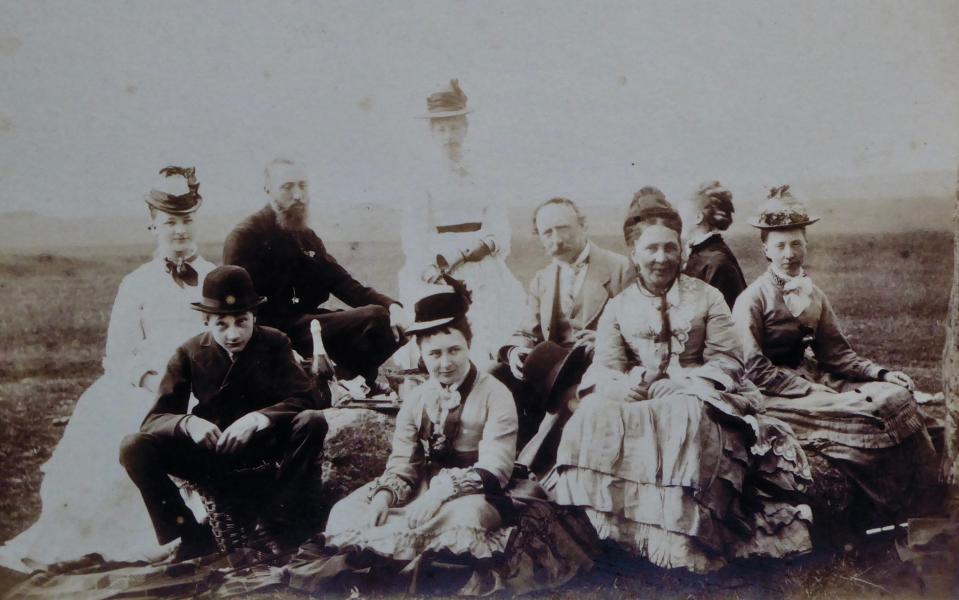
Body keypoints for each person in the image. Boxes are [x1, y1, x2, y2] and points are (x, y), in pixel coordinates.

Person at [543, 192, 813, 573]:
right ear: (634, 254)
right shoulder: (619, 307)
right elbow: (604, 366)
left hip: (704, 392)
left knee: (684, 414)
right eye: (651, 249)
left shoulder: (708, 297)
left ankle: (683, 539)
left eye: (670, 248)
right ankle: (614, 534)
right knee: (591, 414)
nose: (661, 258)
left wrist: (687, 381)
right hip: (640, 395)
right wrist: (618, 385)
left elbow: (728, 359)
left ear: (682, 252)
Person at [0, 167, 216, 571]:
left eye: (187, 221)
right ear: (153, 224)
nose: (180, 231)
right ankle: (164, 535)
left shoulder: (213, 277)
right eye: (170, 222)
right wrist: (157, 385)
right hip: (149, 386)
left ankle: (205, 526)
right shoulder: (136, 283)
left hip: (205, 385)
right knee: (122, 434)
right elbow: (119, 356)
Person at [321, 279, 594, 595]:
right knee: (348, 511)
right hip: (423, 483)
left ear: (469, 346)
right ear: (422, 354)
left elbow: (497, 467)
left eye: (454, 350)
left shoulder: (495, 394)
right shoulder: (416, 398)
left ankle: (419, 570)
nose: (445, 362)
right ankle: (382, 563)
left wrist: (441, 493)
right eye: (434, 353)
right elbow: (403, 464)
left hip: (482, 488)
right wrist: (385, 495)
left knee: (465, 517)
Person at [731, 185, 937, 527]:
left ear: (806, 244)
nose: (789, 253)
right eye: (780, 245)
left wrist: (882, 374)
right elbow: (752, 367)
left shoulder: (815, 295)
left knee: (895, 398)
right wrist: (807, 390)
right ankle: (884, 512)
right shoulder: (753, 299)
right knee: (865, 414)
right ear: (765, 248)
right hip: (772, 392)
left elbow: (838, 354)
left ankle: (923, 506)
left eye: (796, 243)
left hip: (813, 377)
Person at [119, 265, 328, 560]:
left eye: (242, 322)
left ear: (255, 317)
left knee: (312, 422)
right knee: (133, 447)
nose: (233, 334)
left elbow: (306, 398)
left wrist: (259, 419)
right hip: (213, 458)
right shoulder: (188, 353)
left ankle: (283, 523)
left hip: (267, 454)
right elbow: (154, 420)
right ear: (206, 321)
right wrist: (188, 423)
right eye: (221, 324)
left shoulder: (274, 342)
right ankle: (191, 535)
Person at [223, 159, 408, 389]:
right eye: (287, 187)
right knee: (376, 317)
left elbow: (343, 283)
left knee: (395, 322)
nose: (298, 194)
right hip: (270, 335)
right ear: (267, 190)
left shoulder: (305, 235)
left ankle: (344, 378)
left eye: (303, 185)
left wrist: (393, 306)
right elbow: (237, 310)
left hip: (310, 327)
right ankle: (342, 379)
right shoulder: (246, 236)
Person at [491, 197, 632, 469]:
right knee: (494, 374)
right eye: (547, 232)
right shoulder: (542, 279)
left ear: (583, 226)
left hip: (597, 366)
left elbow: (640, 327)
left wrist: (606, 339)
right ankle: (501, 456)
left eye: (564, 228)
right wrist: (517, 351)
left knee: (569, 394)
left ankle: (533, 467)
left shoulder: (620, 268)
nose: (556, 239)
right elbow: (525, 330)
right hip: (552, 368)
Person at [397, 79, 524, 369]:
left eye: (454, 127)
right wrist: (429, 267)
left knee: (492, 323)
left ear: (465, 128)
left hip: (480, 257)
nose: (448, 135)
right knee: (443, 327)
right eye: (441, 129)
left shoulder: (484, 170)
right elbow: (414, 232)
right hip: (439, 262)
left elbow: (498, 221)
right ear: (432, 133)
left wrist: (485, 244)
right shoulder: (422, 176)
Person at [682, 180, 747, 308]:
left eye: (682, 214)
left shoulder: (716, 261)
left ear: (698, 218)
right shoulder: (701, 253)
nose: (678, 221)